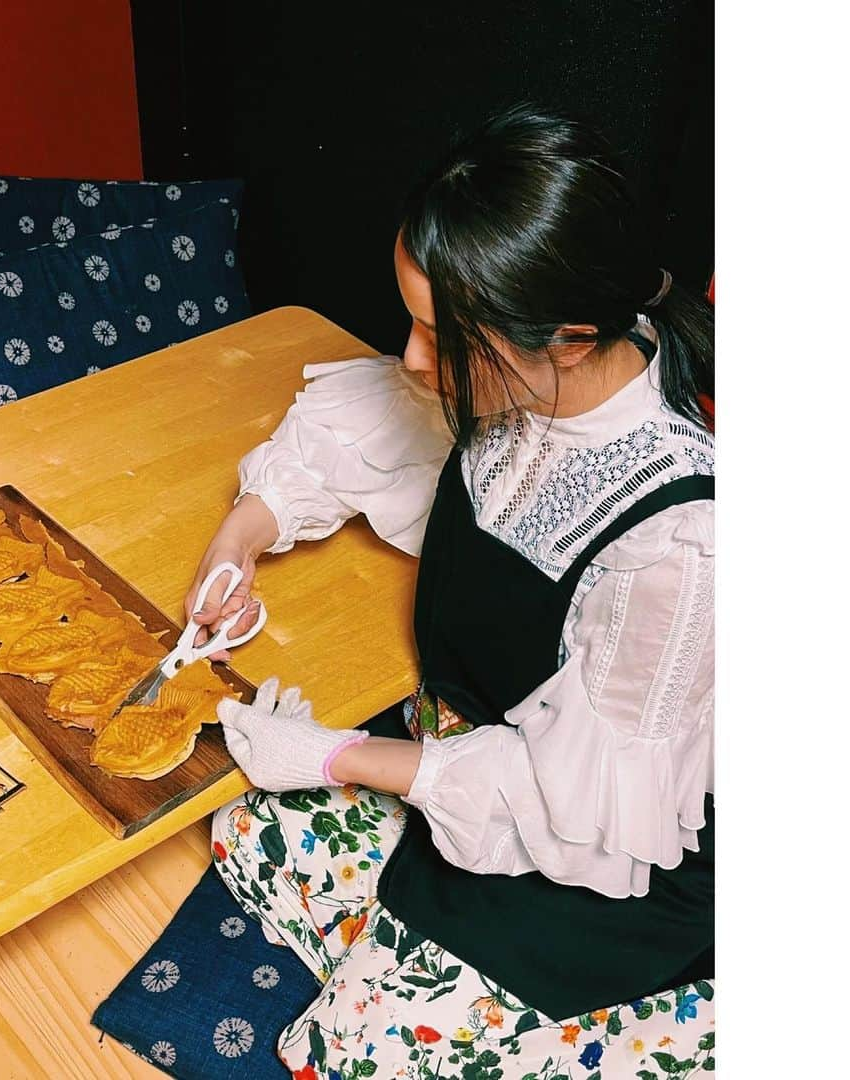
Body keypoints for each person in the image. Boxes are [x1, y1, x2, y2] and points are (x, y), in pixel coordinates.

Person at [187, 105, 715, 1078]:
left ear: (568, 334)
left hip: (595, 869)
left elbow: (575, 809)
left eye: (440, 335)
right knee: (246, 830)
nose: (414, 360)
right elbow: (362, 428)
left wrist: (340, 755)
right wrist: (241, 537)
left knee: (346, 1055)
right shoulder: (531, 374)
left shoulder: (682, 550)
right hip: (460, 776)